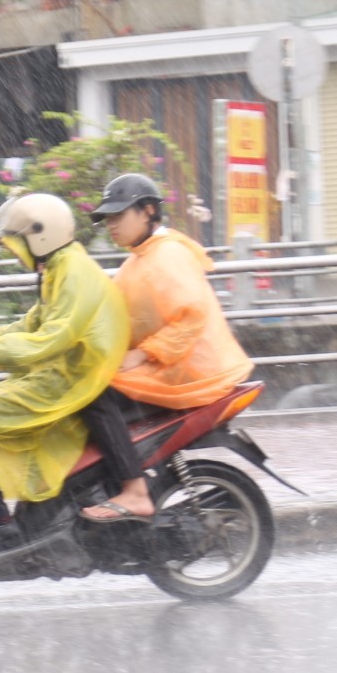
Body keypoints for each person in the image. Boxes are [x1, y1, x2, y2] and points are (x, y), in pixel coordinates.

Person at [0, 193, 129, 554]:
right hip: (56, 376)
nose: (14, 250)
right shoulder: (61, 268)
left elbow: (49, 340)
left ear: (40, 236)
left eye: (17, 241)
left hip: (68, 382)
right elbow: (28, 325)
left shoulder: (74, 273)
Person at [80, 173, 255, 522]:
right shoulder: (139, 258)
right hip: (169, 364)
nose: (111, 225)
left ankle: (133, 490)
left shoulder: (167, 255)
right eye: (107, 218)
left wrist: (140, 354)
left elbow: (190, 317)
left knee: (92, 395)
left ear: (148, 211)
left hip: (187, 370)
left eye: (118, 215)